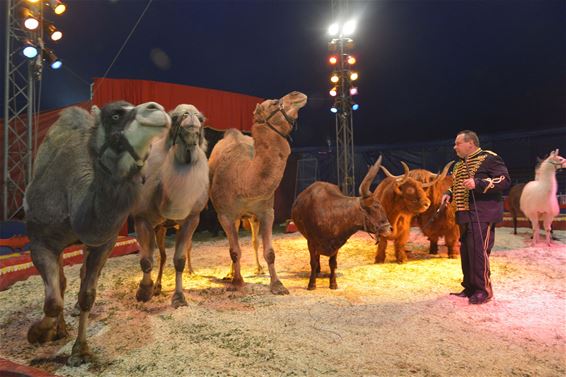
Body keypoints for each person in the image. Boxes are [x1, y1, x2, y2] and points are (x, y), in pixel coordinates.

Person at [441, 130, 511, 305]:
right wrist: (449, 193)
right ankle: (470, 287)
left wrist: (479, 183)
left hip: (482, 214)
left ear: (470, 143)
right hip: (464, 214)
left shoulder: (489, 158)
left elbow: (504, 180)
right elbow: (459, 185)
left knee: (479, 253)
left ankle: (483, 290)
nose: (454, 147)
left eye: (458, 143)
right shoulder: (458, 165)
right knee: (467, 252)